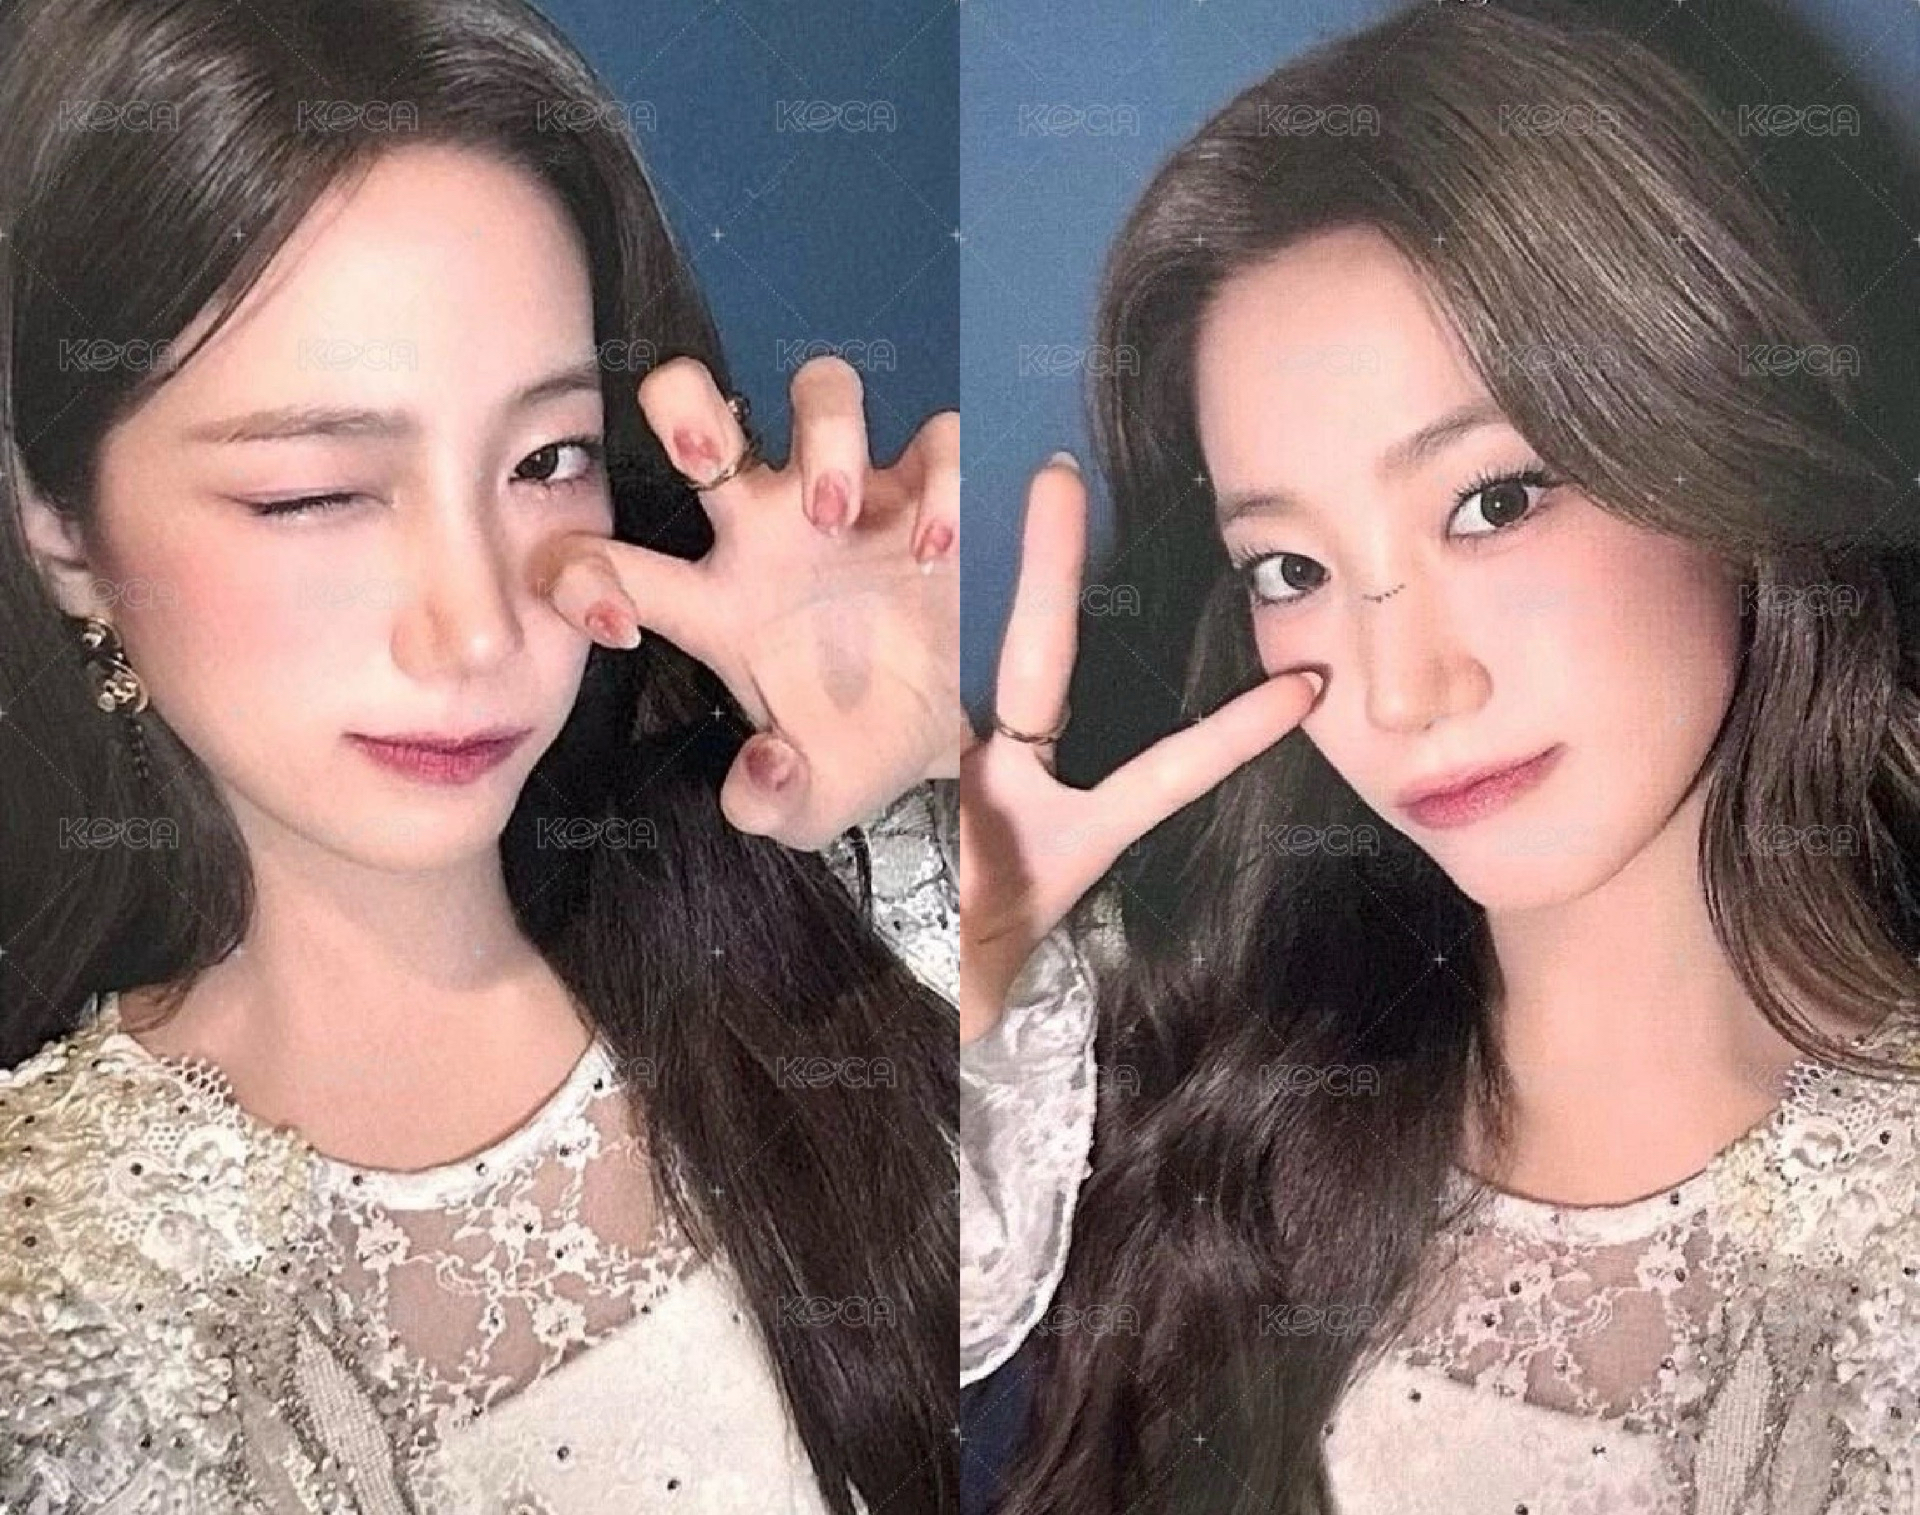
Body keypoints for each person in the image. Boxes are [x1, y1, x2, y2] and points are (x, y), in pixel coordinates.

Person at [959, 2, 1920, 1511]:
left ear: (1717, 430)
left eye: (1494, 502)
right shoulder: (1169, 1071)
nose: (1403, 690)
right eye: (1291, 569)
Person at [0, 0, 960, 1510]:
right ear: (62, 533)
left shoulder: (861, 897)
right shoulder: (51, 1289)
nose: (477, 628)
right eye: (315, 493)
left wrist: (959, 735)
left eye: (544, 460)